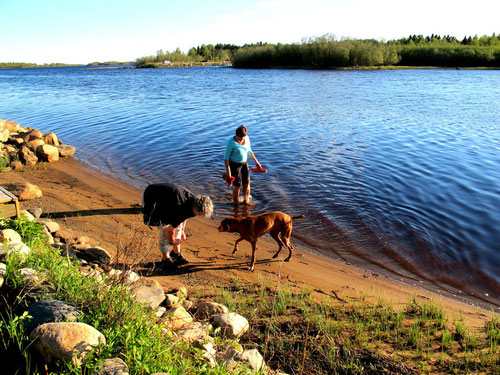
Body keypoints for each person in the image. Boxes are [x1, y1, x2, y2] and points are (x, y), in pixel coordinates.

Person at [142, 182, 213, 268]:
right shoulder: (180, 207)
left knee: (177, 225)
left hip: (167, 198)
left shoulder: (193, 201)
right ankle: (165, 260)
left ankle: (176, 254)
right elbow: (170, 231)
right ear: (196, 208)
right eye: (200, 214)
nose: (199, 216)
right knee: (164, 230)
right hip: (151, 197)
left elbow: (185, 216)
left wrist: (182, 230)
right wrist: (173, 241)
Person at [224, 125, 262, 206]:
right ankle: (236, 204)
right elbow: (226, 158)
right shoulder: (231, 142)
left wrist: (256, 162)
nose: (241, 139)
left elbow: (249, 151)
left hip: (244, 163)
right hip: (234, 165)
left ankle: (246, 201)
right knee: (238, 185)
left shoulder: (247, 138)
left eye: (243, 137)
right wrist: (229, 173)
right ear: (236, 135)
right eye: (239, 137)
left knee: (247, 183)